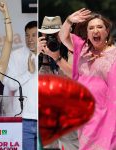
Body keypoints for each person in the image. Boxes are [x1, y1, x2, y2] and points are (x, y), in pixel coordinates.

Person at [57, 8, 116, 150]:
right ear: (87, 33)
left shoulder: (114, 53)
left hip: (109, 116)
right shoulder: (82, 48)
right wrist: (69, 21)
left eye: (99, 27)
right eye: (91, 28)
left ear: (107, 31)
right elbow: (63, 36)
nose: (95, 30)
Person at [38, 16, 78, 150]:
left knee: (71, 144)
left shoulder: (70, 46)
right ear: (42, 34)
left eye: (54, 34)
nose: (51, 38)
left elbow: (74, 75)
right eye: (47, 34)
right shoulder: (37, 50)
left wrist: (57, 57)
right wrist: (35, 53)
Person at [4, 21, 37, 150]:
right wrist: (28, 73)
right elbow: (11, 85)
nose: (30, 39)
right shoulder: (15, 55)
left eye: (34, 35)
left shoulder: (49, 54)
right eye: (27, 35)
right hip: (24, 119)